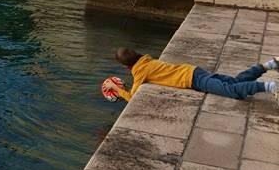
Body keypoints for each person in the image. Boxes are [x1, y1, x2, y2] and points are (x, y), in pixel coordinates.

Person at [104, 47, 279, 103]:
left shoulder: (140, 71)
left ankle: (271, 87)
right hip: (193, 70)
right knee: (234, 81)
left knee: (232, 91)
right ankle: (269, 65)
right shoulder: (146, 60)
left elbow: (132, 97)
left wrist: (116, 89)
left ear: (126, 67)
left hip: (193, 79)